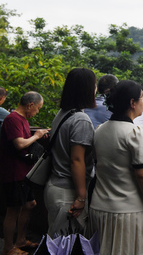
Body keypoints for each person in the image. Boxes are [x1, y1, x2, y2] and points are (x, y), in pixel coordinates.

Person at [89, 80, 143, 255]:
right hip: (128, 212)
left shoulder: (100, 130)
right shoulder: (136, 133)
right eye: (142, 99)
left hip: (99, 207)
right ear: (132, 102)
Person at [44, 68, 96, 237]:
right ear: (87, 89)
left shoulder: (63, 113)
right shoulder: (81, 119)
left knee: (57, 243)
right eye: (94, 84)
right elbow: (77, 160)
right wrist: (81, 197)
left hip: (55, 186)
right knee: (66, 245)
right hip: (68, 192)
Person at [0, 92, 49, 255]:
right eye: (38, 108)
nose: (37, 112)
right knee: (13, 210)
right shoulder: (13, 119)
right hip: (13, 172)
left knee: (30, 204)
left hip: (23, 172)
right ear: (30, 105)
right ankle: (8, 247)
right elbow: (19, 144)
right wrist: (37, 135)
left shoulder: (22, 120)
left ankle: (20, 240)